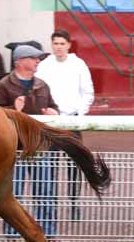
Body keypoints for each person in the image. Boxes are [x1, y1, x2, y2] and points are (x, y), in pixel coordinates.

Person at [0, 45, 59, 238]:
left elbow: (53, 106)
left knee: (45, 192)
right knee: (13, 194)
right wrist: (14, 109)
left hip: (39, 145)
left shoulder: (42, 85)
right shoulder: (4, 85)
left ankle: (48, 235)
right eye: (34, 58)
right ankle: (12, 236)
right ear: (20, 61)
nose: (38, 61)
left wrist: (54, 111)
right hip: (14, 147)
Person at [36, 29, 95, 221]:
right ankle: (49, 204)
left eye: (62, 44)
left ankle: (74, 202)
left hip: (72, 121)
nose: (59, 47)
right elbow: (39, 90)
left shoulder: (79, 64)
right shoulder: (44, 66)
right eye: (55, 43)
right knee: (49, 165)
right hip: (51, 123)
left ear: (68, 45)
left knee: (74, 165)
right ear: (51, 45)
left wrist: (79, 113)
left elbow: (88, 92)